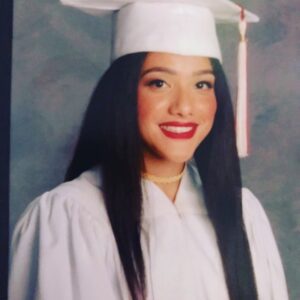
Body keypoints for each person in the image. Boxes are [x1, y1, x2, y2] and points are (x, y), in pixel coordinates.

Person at [9, 1, 289, 300]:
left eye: (202, 85)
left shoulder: (242, 212)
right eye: (159, 82)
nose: (184, 107)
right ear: (123, 92)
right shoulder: (72, 215)